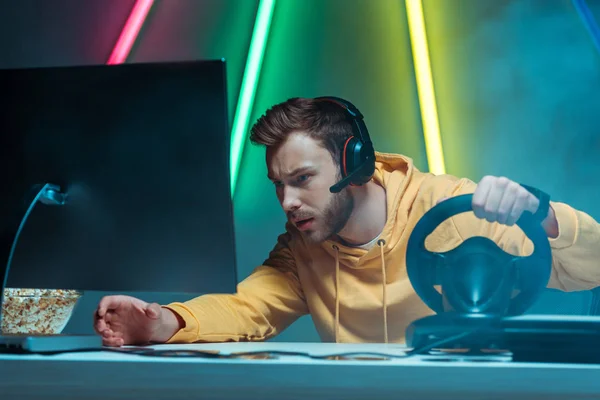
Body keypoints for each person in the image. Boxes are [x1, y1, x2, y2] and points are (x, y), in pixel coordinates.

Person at [94, 96, 600, 347]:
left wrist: (545, 216)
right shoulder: (301, 248)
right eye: (278, 184)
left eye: (302, 178)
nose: (287, 201)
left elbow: (592, 268)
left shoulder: (458, 207)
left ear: (354, 163)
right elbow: (247, 307)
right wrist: (166, 322)